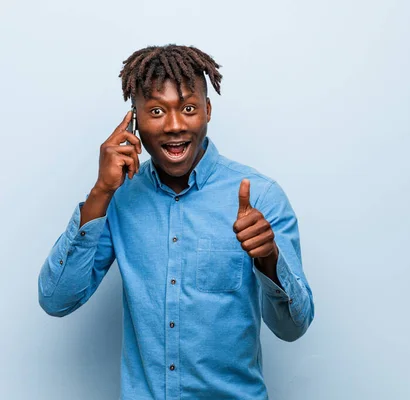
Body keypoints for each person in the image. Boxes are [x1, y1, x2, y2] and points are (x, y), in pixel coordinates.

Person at [37, 44, 314, 399]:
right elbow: (56, 300)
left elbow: (294, 328)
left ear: (208, 111)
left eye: (188, 108)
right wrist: (100, 192)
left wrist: (270, 260)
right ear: (134, 118)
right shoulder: (119, 198)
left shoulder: (260, 196)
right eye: (156, 110)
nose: (174, 126)